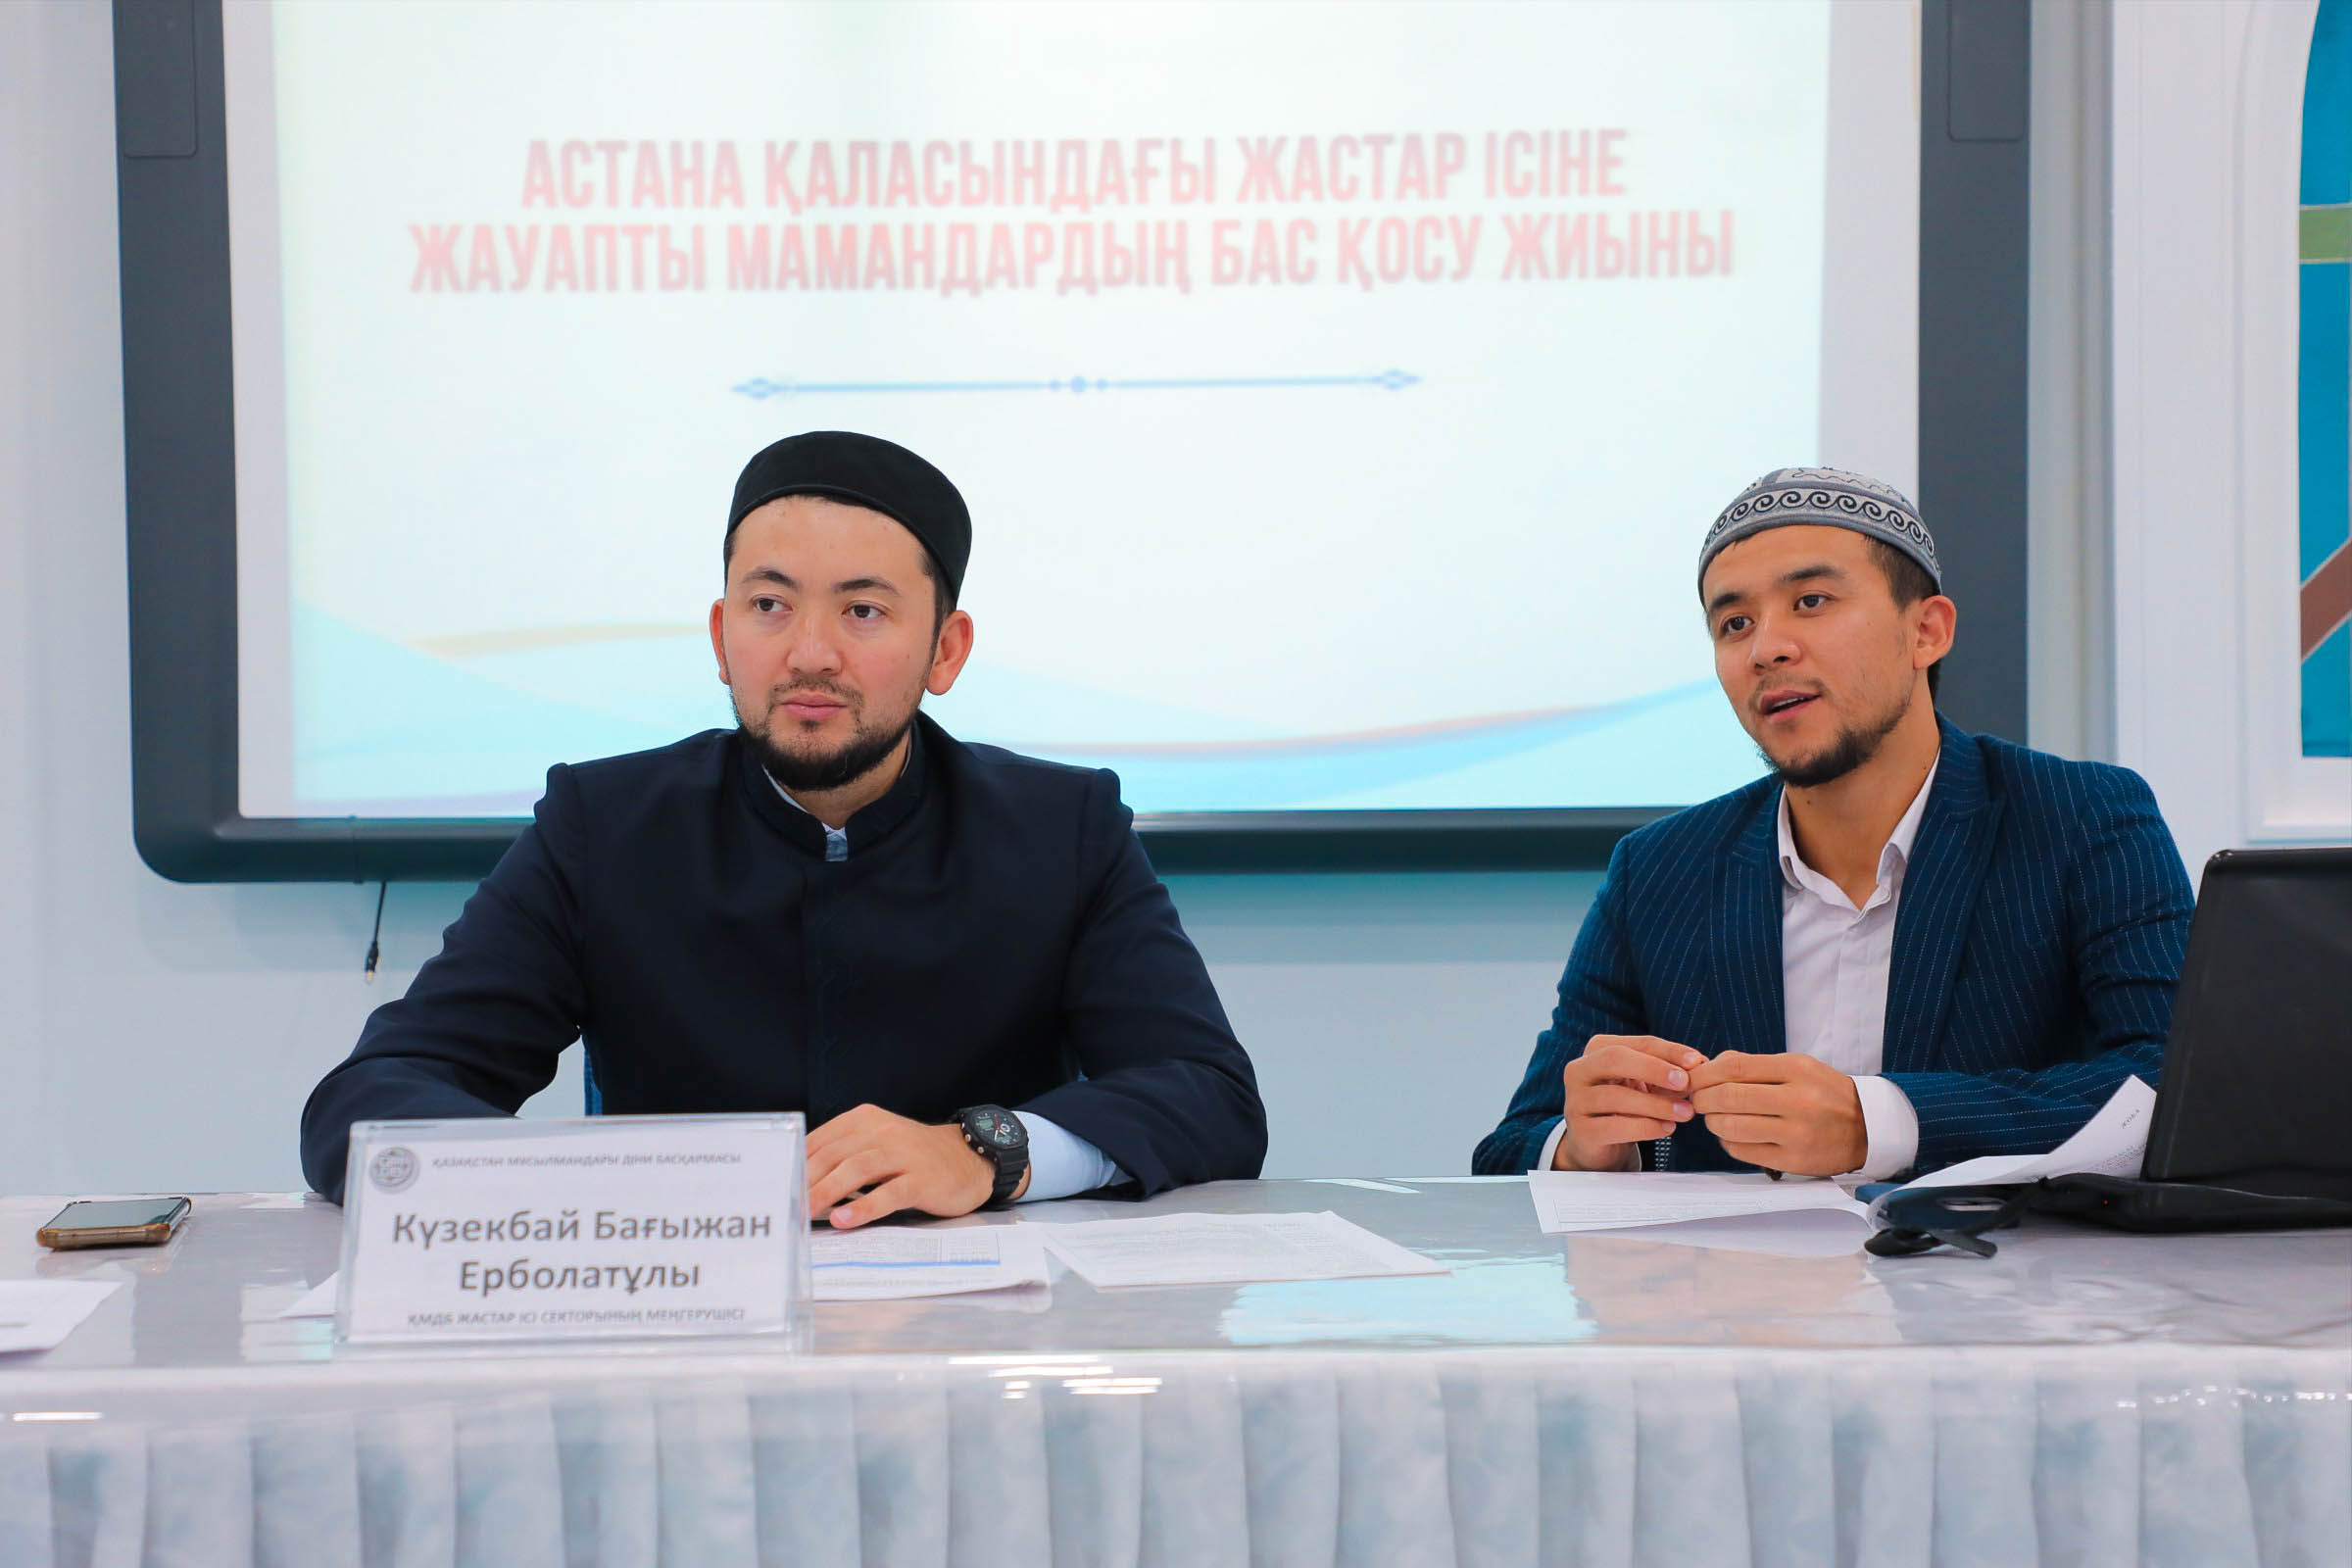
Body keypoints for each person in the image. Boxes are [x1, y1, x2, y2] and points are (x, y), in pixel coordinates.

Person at [302, 430, 1267, 1222]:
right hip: (681, 1325)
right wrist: (595, 1198)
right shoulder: (604, 827)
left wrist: (984, 1153)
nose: (810, 654)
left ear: (946, 649)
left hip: (983, 1342)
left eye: (863, 611)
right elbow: (372, 1100)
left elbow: (1210, 1096)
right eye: (769, 606)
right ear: (723, 639)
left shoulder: (1062, 829)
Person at [1475, 467, 2193, 1180]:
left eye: (1811, 601)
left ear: (1927, 632)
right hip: (1737, 1262)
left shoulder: (2082, 819)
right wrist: (1591, 1147)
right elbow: (1512, 1149)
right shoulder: (1659, 870)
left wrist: (1878, 1123)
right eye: (1734, 624)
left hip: (1988, 1256)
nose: (1766, 649)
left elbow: (2173, 1087)